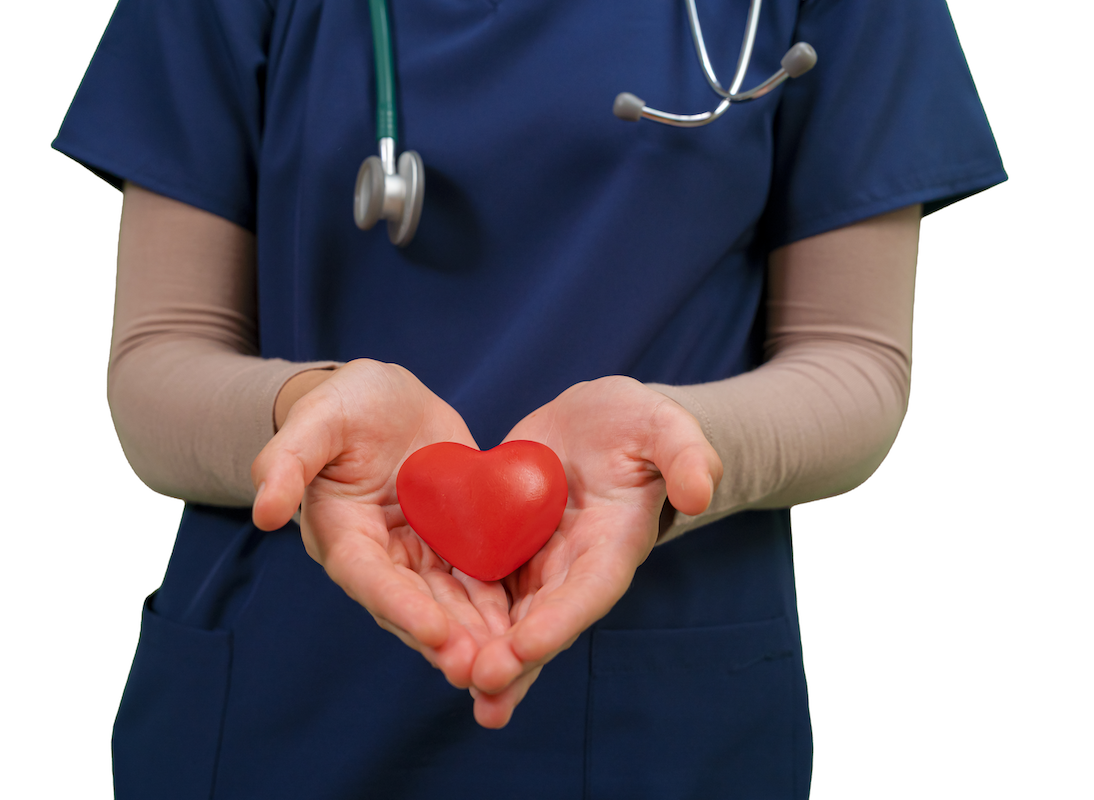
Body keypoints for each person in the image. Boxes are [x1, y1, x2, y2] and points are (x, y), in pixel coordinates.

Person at [54, 0, 1004, 797]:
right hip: (279, 701)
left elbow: (855, 360)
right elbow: (157, 361)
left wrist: (682, 448)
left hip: (662, 719)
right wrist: (309, 408)